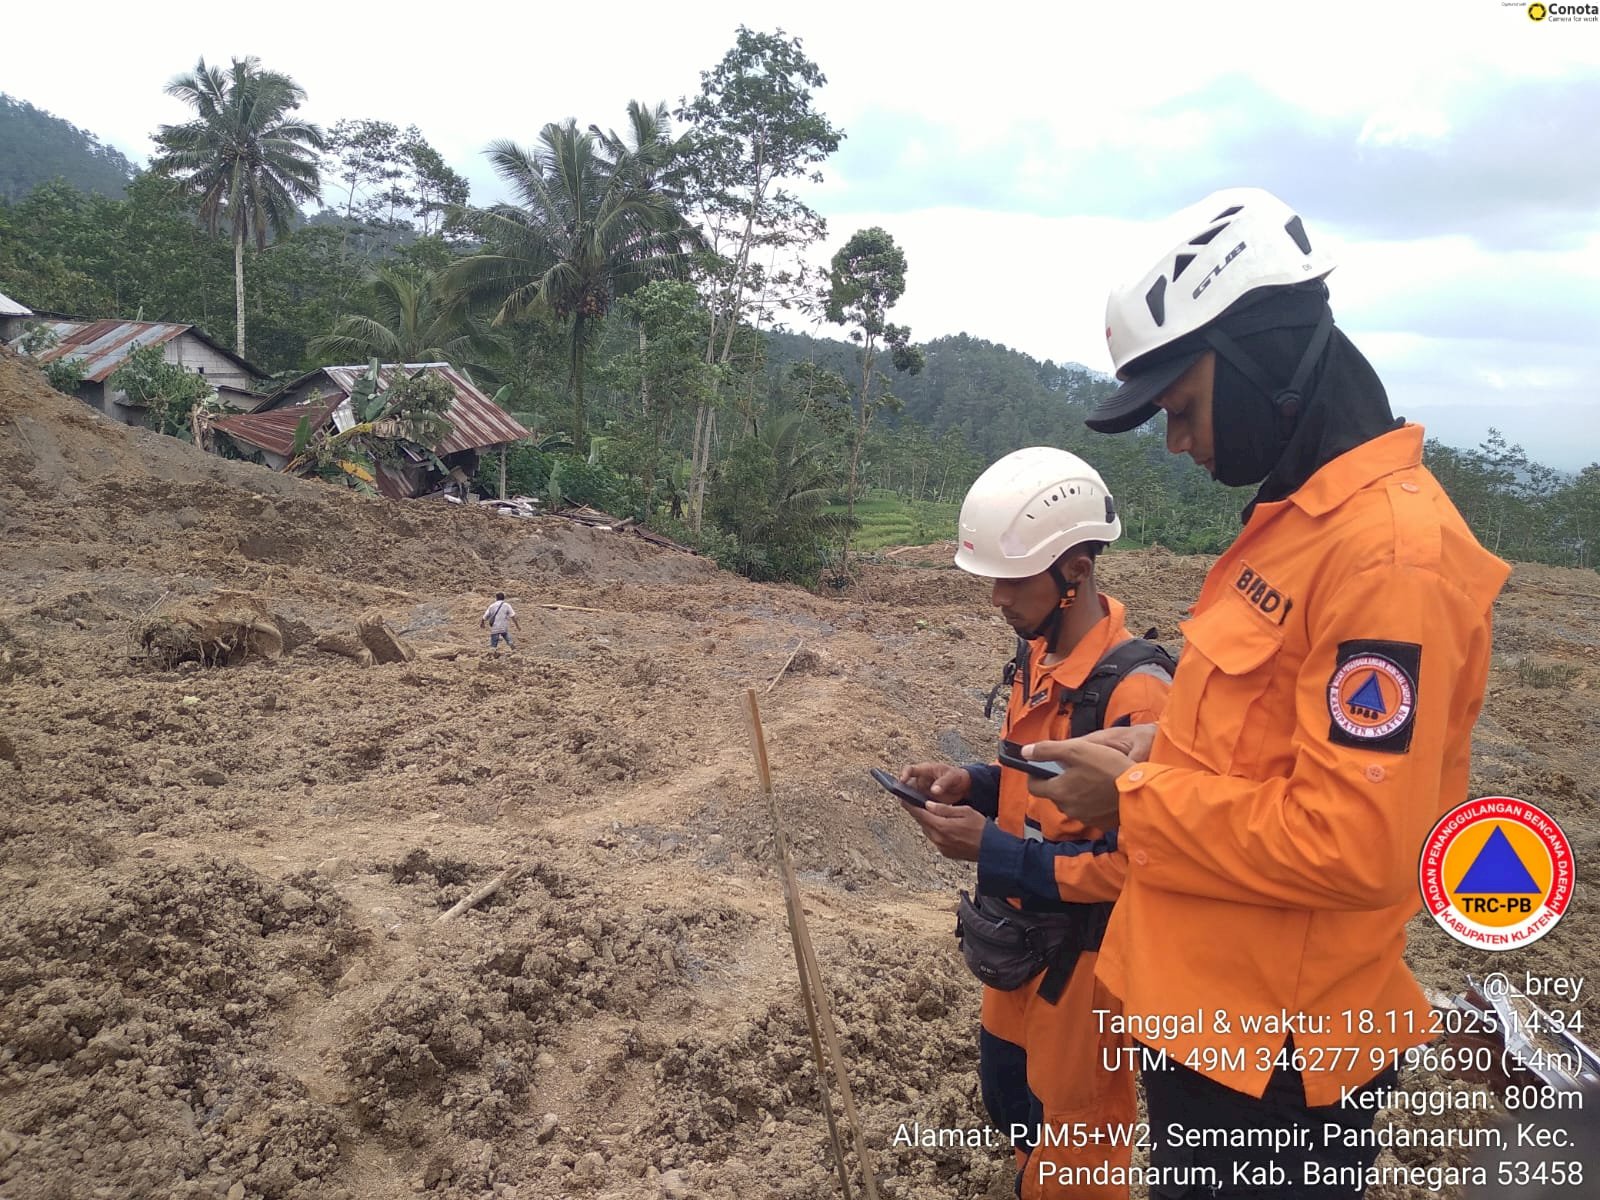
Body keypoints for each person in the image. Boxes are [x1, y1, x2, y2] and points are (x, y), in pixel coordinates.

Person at [1023, 188, 1511, 1199]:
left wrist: (1134, 800)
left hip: (1276, 1063)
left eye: (1182, 409)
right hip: (1212, 1024)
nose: (1177, 442)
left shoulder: (1388, 561)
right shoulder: (1297, 527)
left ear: (1259, 358)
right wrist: (1151, 752)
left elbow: (1355, 841)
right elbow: (1264, 743)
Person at [898, 447, 1172, 1200]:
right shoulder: (1038, 658)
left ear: (1076, 570)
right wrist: (975, 783)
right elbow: (1038, 782)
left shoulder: (1138, 697)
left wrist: (992, 853)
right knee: (1013, 1103)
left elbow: (1141, 866)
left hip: (1084, 968)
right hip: (1018, 948)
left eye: (1012, 580)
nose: (996, 599)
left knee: (1078, 1143)